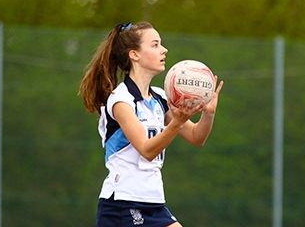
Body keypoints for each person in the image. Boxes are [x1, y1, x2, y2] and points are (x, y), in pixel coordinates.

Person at [78, 22, 224, 227]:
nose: (164, 50)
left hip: (153, 203)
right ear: (134, 55)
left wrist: (208, 115)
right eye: (155, 45)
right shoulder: (121, 100)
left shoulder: (160, 98)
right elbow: (147, 150)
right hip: (123, 203)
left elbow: (196, 137)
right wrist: (176, 123)